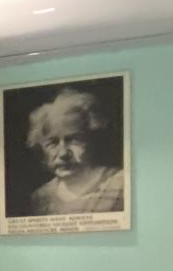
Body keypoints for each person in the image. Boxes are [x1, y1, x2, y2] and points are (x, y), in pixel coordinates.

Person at [25, 86, 126, 215]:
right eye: (53, 143)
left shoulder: (120, 184)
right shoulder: (40, 198)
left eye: (74, 139)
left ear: (92, 139)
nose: (63, 153)